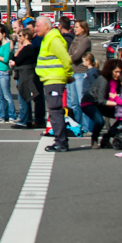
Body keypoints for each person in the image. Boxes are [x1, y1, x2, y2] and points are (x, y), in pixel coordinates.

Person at [34, 15, 73, 152]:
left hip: (54, 79)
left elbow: (66, 59)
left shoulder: (53, 39)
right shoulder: (48, 39)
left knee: (55, 111)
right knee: (54, 111)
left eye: (38, 26)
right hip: (51, 79)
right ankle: (60, 141)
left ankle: (61, 142)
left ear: (46, 26)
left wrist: (68, 75)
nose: (35, 29)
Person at [81, 58, 122, 149]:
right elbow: (101, 100)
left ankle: (106, 138)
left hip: (104, 105)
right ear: (110, 70)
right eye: (116, 72)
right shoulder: (104, 79)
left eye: (120, 72)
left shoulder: (117, 81)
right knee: (100, 121)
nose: (118, 74)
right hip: (89, 102)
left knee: (121, 116)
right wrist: (118, 103)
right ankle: (94, 139)